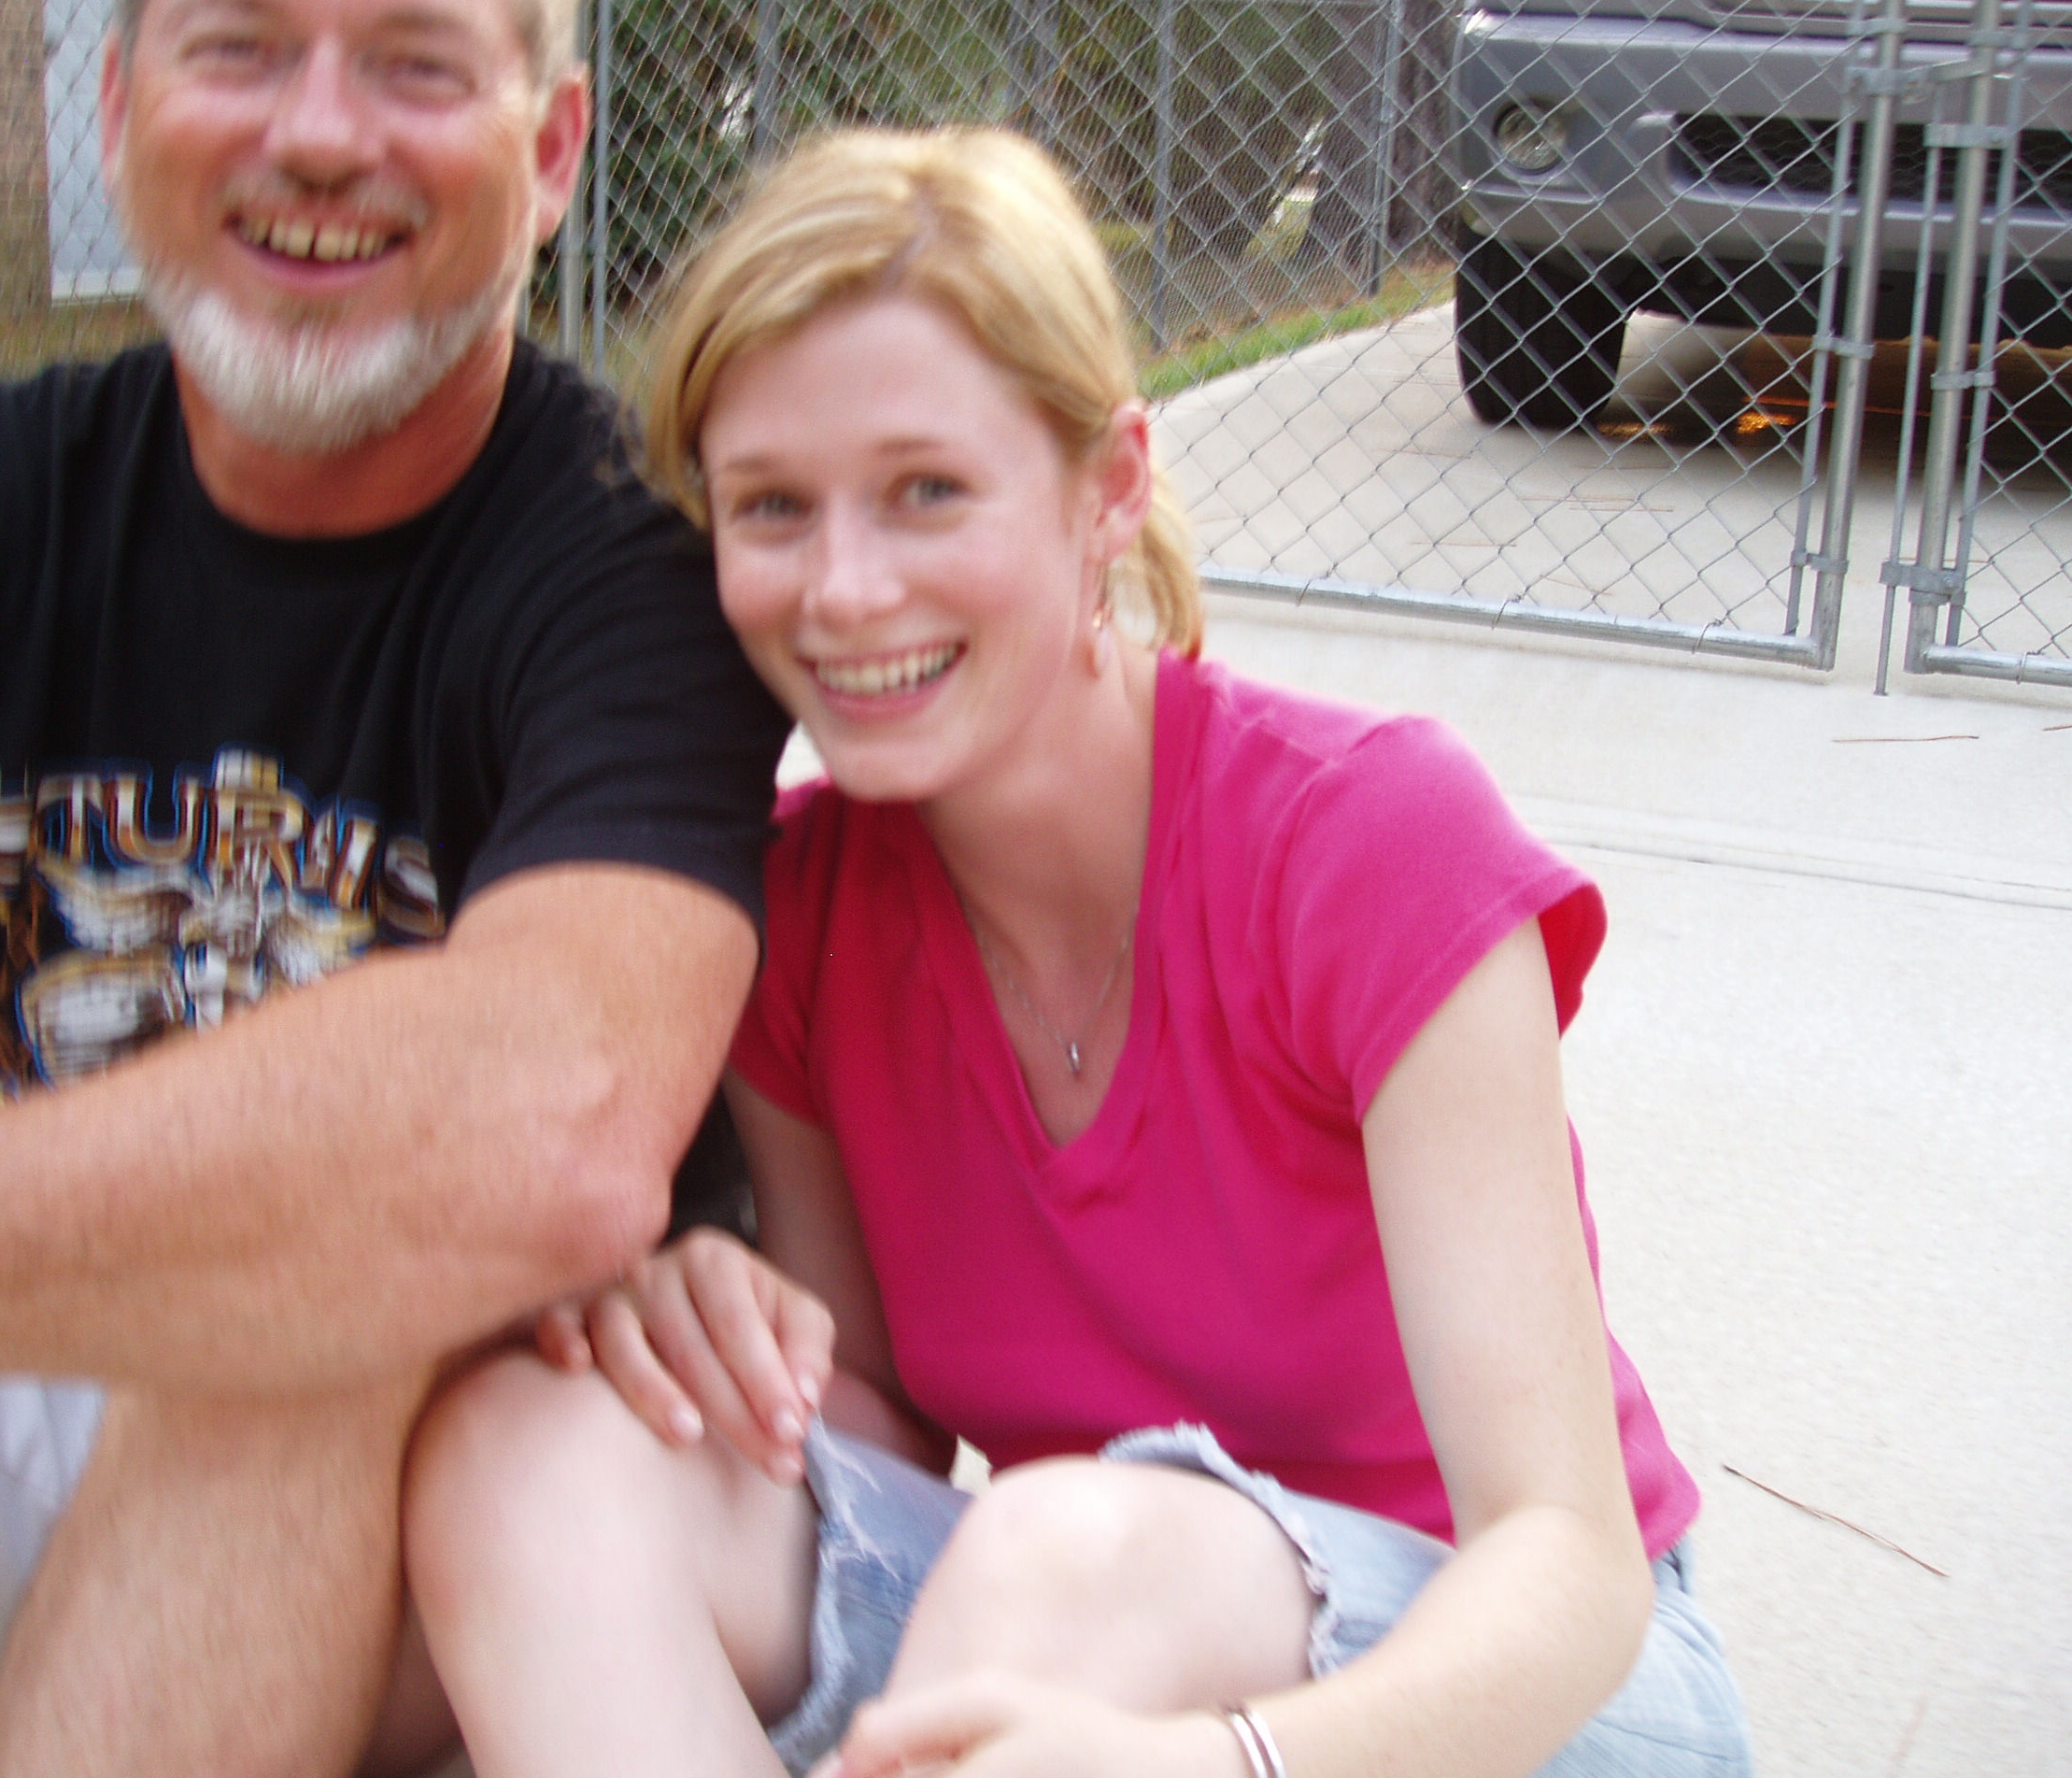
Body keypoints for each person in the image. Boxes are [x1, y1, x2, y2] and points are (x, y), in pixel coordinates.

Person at [399, 126, 1755, 1778]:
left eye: (927, 491)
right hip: (1068, 1624)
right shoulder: (802, 914)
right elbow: (883, 1424)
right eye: (772, 507)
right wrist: (735, 1347)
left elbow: (1567, 1561)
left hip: (1510, 1691)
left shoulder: (1367, 843)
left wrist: (1222, 1762)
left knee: (1069, 1547)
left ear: (1109, 487)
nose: (844, 588)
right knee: (527, 1453)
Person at [0, 0, 790, 1773]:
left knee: (351, 1251)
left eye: (415, 63)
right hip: (9, 1405)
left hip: (432, 1522)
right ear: (119, 110)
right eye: (240, 47)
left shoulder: (629, 560)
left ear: (551, 153)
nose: (321, 135)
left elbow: (547, 1136)